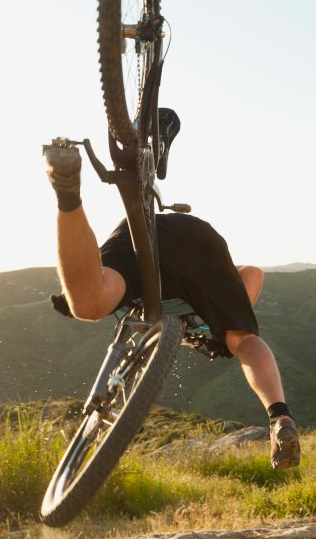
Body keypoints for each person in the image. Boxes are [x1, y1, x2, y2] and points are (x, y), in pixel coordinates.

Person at [41, 112, 301, 469]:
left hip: (143, 236)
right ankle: (279, 417)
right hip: (193, 240)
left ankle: (68, 192)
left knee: (87, 301)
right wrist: (223, 326)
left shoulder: (131, 294)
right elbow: (252, 274)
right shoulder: (203, 318)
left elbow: (253, 273)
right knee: (242, 339)